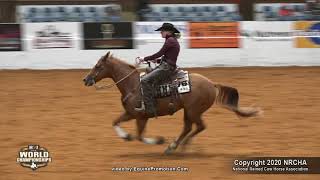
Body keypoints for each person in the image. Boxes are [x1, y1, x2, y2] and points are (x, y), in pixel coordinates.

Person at [135, 23, 181, 115]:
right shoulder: (171, 40)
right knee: (148, 73)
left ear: (168, 31)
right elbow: (168, 56)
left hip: (166, 67)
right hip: (166, 65)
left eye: (162, 31)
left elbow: (159, 53)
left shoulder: (170, 41)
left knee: (144, 80)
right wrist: (158, 60)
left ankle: (149, 108)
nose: (161, 33)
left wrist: (144, 58)